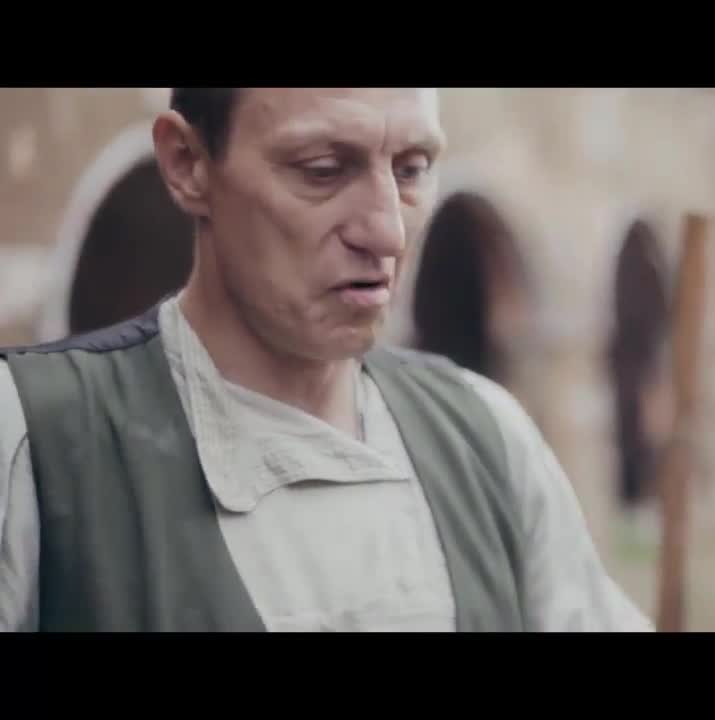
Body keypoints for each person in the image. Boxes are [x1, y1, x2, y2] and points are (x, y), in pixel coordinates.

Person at [0, 88, 653, 632]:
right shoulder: (34, 441)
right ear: (188, 162)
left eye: (411, 170)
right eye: (322, 170)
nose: (387, 232)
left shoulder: (487, 438)